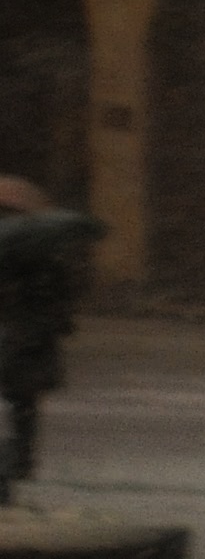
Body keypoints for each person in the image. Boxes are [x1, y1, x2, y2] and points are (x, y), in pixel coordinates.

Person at [0, 176, 106, 505]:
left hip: (22, 336)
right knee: (25, 402)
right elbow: (61, 299)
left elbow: (55, 299)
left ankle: (17, 460)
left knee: (22, 399)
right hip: (31, 337)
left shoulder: (12, 254)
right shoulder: (44, 255)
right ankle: (19, 459)